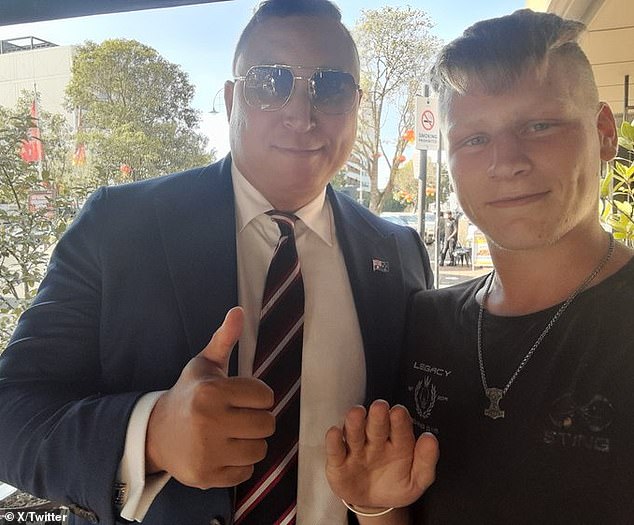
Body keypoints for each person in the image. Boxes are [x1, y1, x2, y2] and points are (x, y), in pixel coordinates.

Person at [0, 1, 433, 524]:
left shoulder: (398, 252)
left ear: (358, 106)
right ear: (231, 100)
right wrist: (153, 434)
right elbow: (12, 412)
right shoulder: (120, 227)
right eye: (270, 81)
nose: (302, 113)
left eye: (332, 86)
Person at [325, 8, 634, 525]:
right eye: (474, 138)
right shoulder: (425, 320)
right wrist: (377, 506)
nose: (506, 161)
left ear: (604, 132)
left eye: (540, 125)